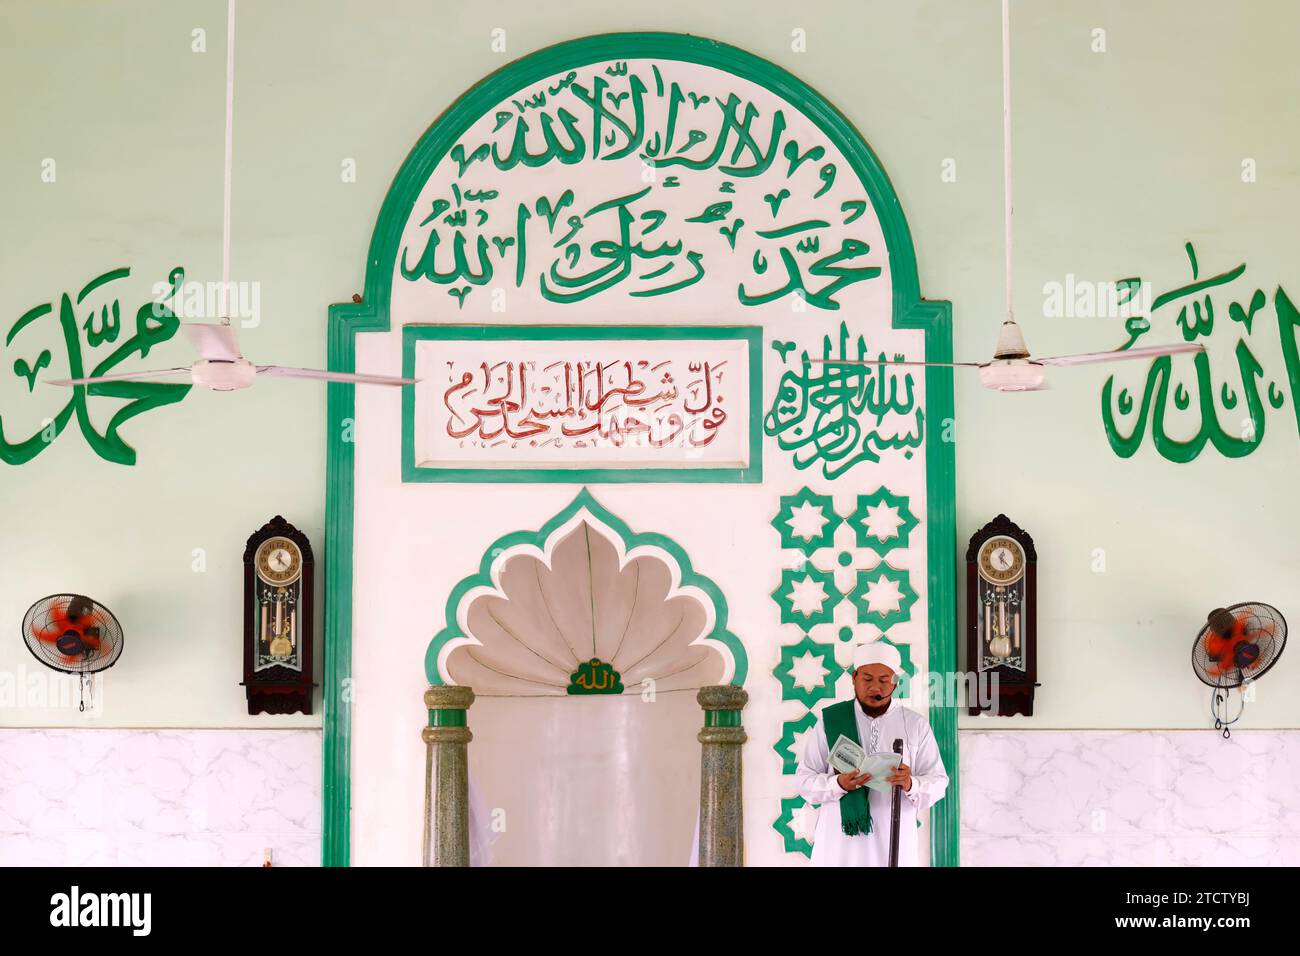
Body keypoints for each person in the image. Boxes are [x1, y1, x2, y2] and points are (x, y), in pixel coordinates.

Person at [796, 640, 948, 866]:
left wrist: (909, 784)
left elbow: (938, 783)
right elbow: (804, 781)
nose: (875, 687)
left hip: (893, 841)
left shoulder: (916, 725)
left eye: (884, 680)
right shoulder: (831, 721)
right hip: (838, 845)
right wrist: (838, 784)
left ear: (895, 684)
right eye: (867, 679)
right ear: (854, 678)